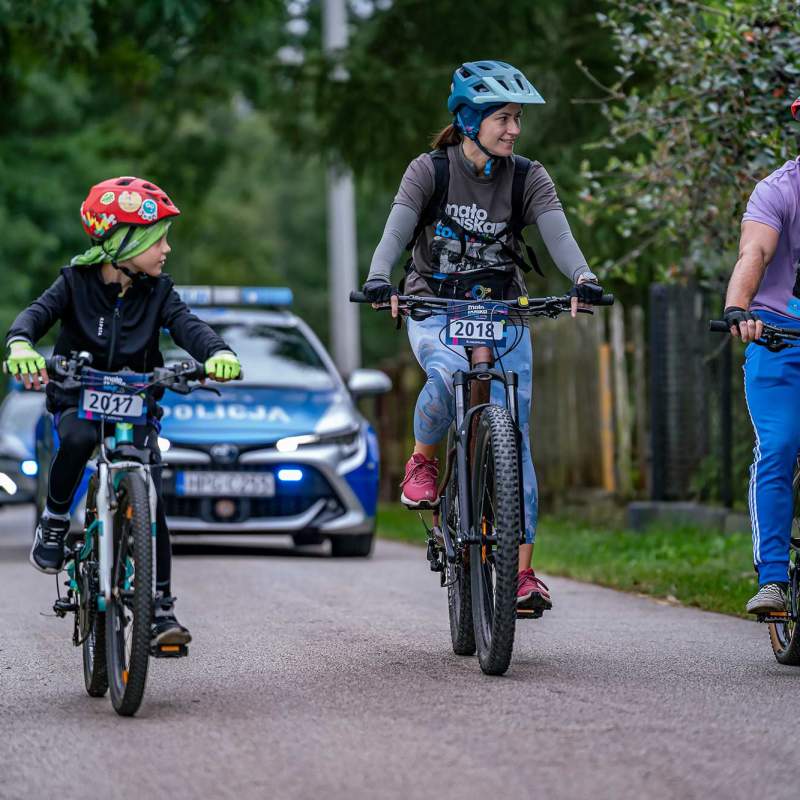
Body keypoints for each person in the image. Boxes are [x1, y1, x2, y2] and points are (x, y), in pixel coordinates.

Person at [361, 61, 603, 612]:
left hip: (504, 309)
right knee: (445, 375)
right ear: (470, 120)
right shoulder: (430, 171)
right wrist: (378, 278)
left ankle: (521, 573)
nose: (514, 129)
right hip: (434, 304)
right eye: (503, 118)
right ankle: (424, 460)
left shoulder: (528, 176)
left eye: (517, 119)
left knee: (515, 432)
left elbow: (559, 236)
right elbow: (396, 232)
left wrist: (583, 277)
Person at [3, 176, 242, 645]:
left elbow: (188, 326)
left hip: (136, 398)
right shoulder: (74, 282)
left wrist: (218, 352)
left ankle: (160, 610)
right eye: (157, 240)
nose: (166, 249)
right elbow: (34, 316)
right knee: (76, 439)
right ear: (121, 242)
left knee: (150, 493)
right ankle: (55, 522)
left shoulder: (160, 292)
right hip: (78, 393)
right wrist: (20, 344)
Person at [722, 96, 800, 614]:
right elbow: (755, 251)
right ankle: (773, 578)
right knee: (780, 443)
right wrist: (738, 307)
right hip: (779, 336)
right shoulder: (778, 190)